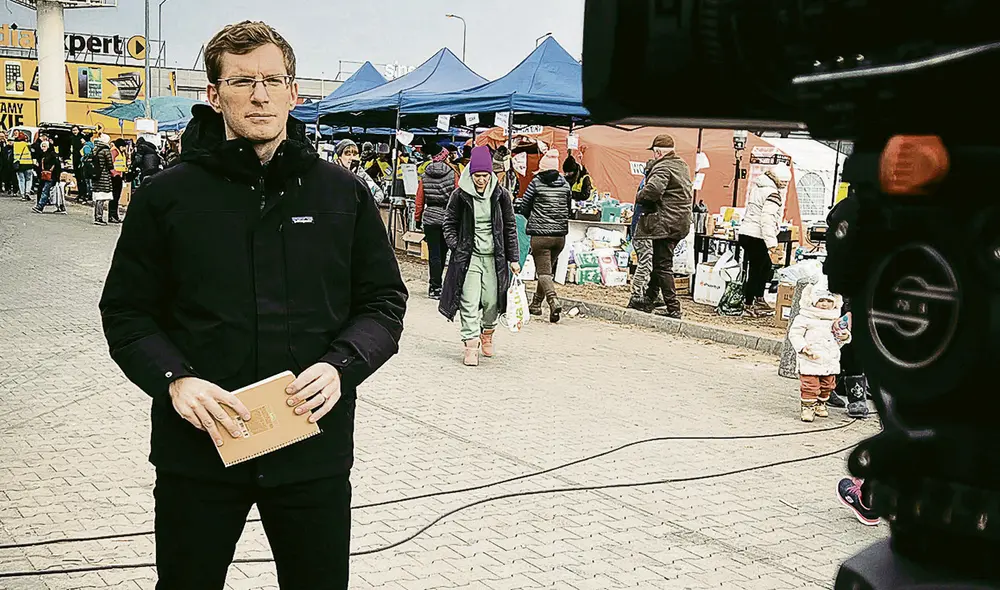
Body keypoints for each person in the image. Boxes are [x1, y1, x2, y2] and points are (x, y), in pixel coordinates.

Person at [98, 21, 407, 589]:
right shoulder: (168, 196)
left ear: (295, 92)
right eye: (241, 81)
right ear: (214, 96)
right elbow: (125, 312)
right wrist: (174, 380)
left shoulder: (343, 195)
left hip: (311, 448)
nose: (259, 94)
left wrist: (343, 365)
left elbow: (384, 302)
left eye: (273, 79)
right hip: (199, 451)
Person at [439, 145, 520, 367]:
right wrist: (457, 246)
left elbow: (510, 227)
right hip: (469, 256)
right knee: (469, 300)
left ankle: (488, 332)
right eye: (477, 176)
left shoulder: (501, 195)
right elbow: (449, 223)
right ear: (470, 173)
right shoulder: (460, 195)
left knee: (492, 301)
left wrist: (514, 258)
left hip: (495, 258)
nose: (481, 180)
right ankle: (471, 345)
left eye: (485, 176)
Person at [633, 134, 693, 319]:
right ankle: (649, 299)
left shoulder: (663, 167)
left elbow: (652, 191)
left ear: (658, 152)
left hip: (665, 221)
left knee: (662, 265)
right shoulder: (682, 165)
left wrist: (639, 195)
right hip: (680, 221)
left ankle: (673, 308)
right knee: (661, 261)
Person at [517, 149, 571, 323]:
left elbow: (525, 206)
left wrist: (532, 217)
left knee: (543, 271)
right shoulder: (565, 184)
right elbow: (569, 207)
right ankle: (536, 304)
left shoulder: (536, 182)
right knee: (546, 270)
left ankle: (553, 300)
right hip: (560, 236)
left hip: (540, 235)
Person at [787, 284, 849, 422]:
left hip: (829, 359)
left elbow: (838, 339)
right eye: (821, 301)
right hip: (810, 358)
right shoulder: (805, 317)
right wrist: (803, 347)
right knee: (810, 385)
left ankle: (821, 403)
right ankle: (808, 407)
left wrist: (844, 337)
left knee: (828, 384)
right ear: (813, 301)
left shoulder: (835, 319)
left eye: (828, 301)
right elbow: (794, 334)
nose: (825, 304)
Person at [740, 164, 791, 317]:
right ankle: (749, 303)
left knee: (763, 267)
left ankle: (757, 298)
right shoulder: (773, 194)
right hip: (758, 235)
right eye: (785, 182)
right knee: (758, 270)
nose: (785, 185)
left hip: (746, 233)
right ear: (779, 180)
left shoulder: (758, 188)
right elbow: (767, 220)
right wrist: (772, 244)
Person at [415, 147, 457, 299]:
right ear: (445, 157)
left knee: (434, 254)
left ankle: (434, 287)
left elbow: (419, 199)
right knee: (445, 252)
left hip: (430, 217)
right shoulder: (453, 174)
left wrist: (418, 218)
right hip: (447, 217)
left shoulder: (425, 175)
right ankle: (443, 286)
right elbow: (457, 196)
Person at [31, 138, 63, 214]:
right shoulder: (42, 155)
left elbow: (57, 166)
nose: (43, 148)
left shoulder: (53, 155)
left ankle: (40, 206)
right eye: (42, 146)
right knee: (45, 191)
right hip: (44, 176)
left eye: (45, 146)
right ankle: (60, 207)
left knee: (45, 191)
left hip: (51, 176)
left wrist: (57, 177)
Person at [91, 135, 115, 225]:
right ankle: (99, 217)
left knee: (98, 198)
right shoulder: (105, 150)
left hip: (96, 175)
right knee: (101, 198)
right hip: (103, 175)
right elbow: (110, 164)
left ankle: (96, 216)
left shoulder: (95, 149)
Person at [109, 140, 128, 223]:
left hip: (120, 176)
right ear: (121, 146)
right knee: (114, 197)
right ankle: (111, 216)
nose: (125, 148)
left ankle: (115, 216)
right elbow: (110, 163)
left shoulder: (121, 152)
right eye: (124, 146)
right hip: (114, 177)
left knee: (117, 197)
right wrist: (114, 174)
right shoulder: (114, 151)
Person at [13, 131, 34, 201]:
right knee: (29, 179)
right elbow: (33, 152)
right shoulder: (27, 145)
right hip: (28, 164)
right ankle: (27, 192)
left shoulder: (15, 145)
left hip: (19, 165)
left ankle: (22, 195)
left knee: (21, 180)